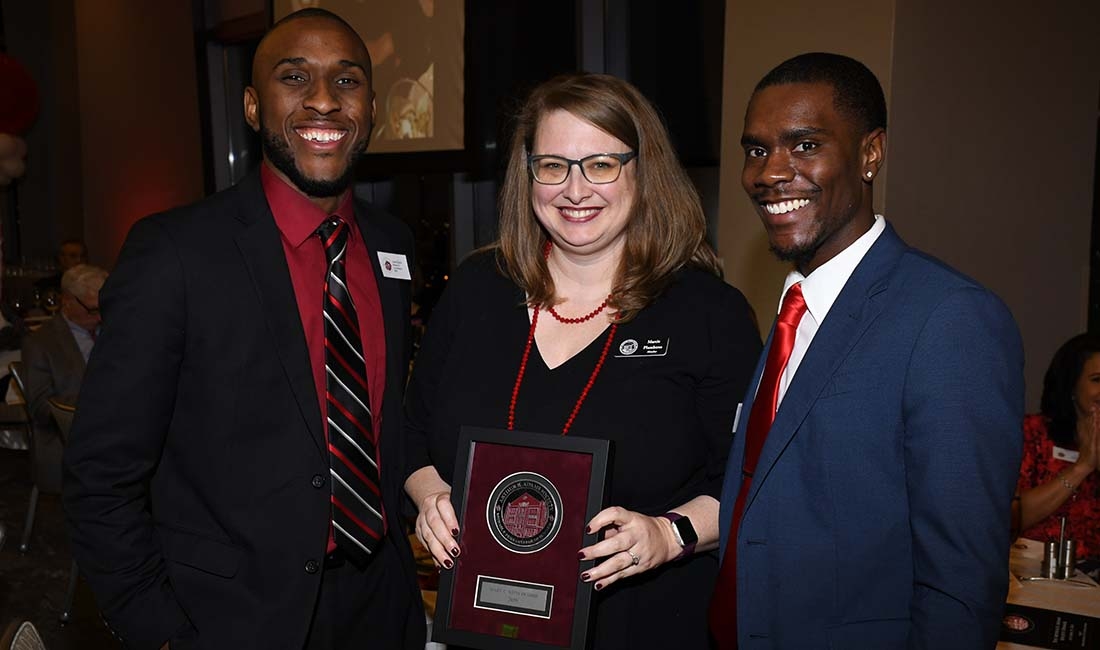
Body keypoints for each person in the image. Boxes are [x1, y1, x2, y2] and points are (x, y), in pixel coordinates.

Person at [62, 9, 424, 650]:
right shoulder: (174, 253)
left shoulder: (392, 248)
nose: (322, 100)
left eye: (347, 82)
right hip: (232, 619)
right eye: (295, 77)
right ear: (254, 108)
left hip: (380, 606)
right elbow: (100, 475)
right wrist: (162, 632)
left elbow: (383, 422)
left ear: (372, 108)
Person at [404, 72, 761, 649]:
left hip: (644, 628)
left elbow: (752, 479)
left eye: (601, 164)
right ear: (528, 174)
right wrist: (429, 498)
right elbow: (412, 432)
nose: (574, 189)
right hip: (485, 627)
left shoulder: (707, 313)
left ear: (644, 171)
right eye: (553, 165)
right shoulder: (476, 289)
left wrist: (670, 535)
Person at [709, 53, 1024, 649]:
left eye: (804, 146)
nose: (770, 172)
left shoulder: (949, 317)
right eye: (756, 150)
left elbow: (960, 578)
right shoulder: (790, 310)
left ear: (870, 154)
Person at [1016, 333, 1100, 568]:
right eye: (1097, 379)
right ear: (1072, 385)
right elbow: (1011, 517)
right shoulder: (1032, 433)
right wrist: (1083, 466)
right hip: (1031, 571)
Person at [22, 264, 106, 490]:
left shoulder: (113, 332)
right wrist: (95, 408)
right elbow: (40, 409)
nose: (99, 317)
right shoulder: (41, 343)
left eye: (104, 308)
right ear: (67, 301)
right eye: (92, 310)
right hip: (69, 442)